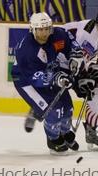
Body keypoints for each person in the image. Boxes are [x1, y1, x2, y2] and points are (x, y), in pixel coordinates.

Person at [11, 12, 84, 155]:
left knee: (68, 108)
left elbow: (72, 45)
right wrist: (58, 78)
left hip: (50, 71)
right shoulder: (26, 50)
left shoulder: (57, 34)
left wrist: (75, 58)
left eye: (46, 29)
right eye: (40, 29)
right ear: (33, 29)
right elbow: (36, 78)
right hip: (25, 80)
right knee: (54, 110)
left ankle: (64, 132)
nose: (44, 33)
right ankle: (53, 140)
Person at [62, 8, 98, 151]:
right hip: (58, 60)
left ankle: (91, 131)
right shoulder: (87, 33)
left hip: (75, 63)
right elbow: (77, 60)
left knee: (96, 93)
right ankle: (58, 131)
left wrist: (94, 78)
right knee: (60, 93)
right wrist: (84, 79)